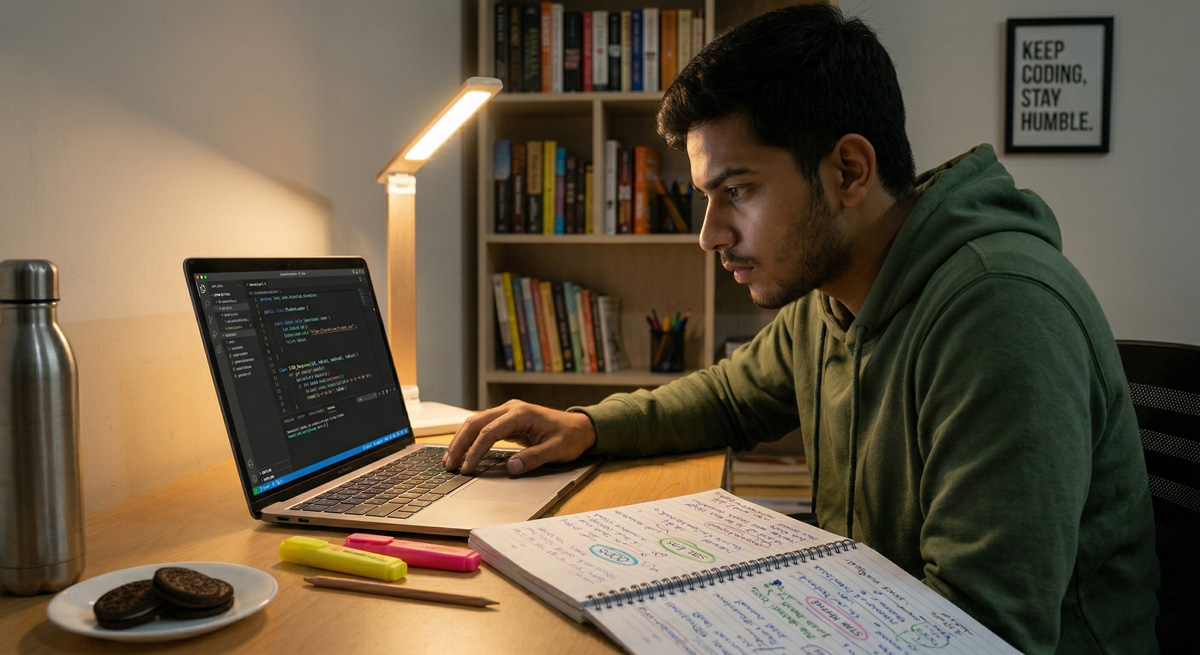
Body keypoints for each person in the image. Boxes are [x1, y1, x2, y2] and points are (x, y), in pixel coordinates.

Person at [444, 5, 1158, 653]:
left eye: (738, 190)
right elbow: (730, 397)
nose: (710, 235)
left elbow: (983, 630)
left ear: (849, 171)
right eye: (707, 197)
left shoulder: (1002, 312)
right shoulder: (836, 294)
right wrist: (586, 426)